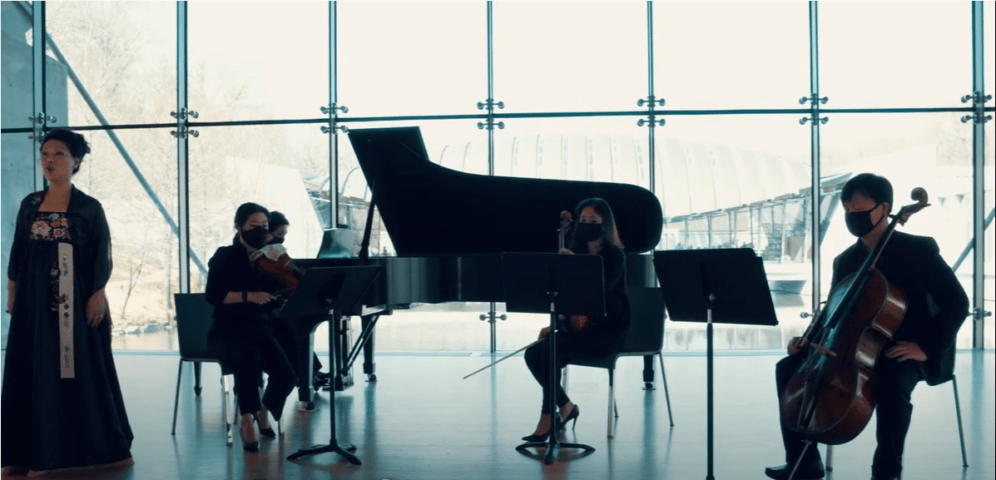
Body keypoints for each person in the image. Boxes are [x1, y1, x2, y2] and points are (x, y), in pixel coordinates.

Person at [765, 173, 969, 480]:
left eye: (857, 211)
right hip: (851, 347)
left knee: (892, 383)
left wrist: (926, 348)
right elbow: (832, 312)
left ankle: (886, 472)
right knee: (788, 367)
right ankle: (803, 461)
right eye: (846, 212)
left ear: (883, 208)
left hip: (909, 348)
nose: (851, 218)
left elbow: (958, 303)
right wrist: (807, 340)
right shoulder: (845, 261)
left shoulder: (918, 250)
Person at [2, 129, 134, 476]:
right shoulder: (29, 204)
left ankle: (70, 454)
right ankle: (21, 454)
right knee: (29, 372)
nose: (50, 160)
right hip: (32, 306)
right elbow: (18, 250)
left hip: (71, 307)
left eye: (59, 154)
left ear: (75, 162)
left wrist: (97, 294)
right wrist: (11, 289)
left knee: (71, 373)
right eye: (45, 153)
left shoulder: (89, 208)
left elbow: (101, 256)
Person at [521, 197, 631, 441]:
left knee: (550, 350)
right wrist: (556, 324)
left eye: (593, 220)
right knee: (533, 353)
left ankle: (548, 417)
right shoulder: (575, 251)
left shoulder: (614, 256)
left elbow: (598, 294)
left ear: (605, 223)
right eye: (583, 220)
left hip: (607, 332)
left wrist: (577, 268)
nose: (587, 224)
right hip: (578, 330)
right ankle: (566, 406)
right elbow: (564, 299)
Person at [205, 203, 297, 451]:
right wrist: (248, 296)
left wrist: (285, 293)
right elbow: (213, 295)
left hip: (260, 329)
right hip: (228, 331)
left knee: (287, 375)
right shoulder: (225, 255)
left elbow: (276, 294)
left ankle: (262, 409)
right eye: (253, 226)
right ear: (239, 227)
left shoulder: (269, 256)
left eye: (264, 226)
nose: (260, 231)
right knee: (248, 358)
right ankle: (246, 420)